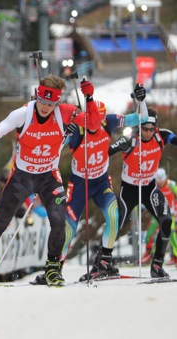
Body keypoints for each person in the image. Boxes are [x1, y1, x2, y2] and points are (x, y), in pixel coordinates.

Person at [0, 75, 99, 287]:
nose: (46, 107)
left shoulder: (65, 112)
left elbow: (93, 124)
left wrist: (90, 98)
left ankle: (52, 268)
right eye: (43, 102)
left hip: (49, 177)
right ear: (36, 97)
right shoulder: (23, 113)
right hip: (22, 177)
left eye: (51, 103)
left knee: (59, 221)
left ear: (57, 102)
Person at [63, 84, 148, 282]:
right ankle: (54, 267)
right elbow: (54, 146)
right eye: (92, 120)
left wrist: (141, 101)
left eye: (99, 120)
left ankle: (104, 262)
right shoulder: (77, 130)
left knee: (113, 214)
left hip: (100, 181)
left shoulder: (109, 122)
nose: (96, 124)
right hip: (79, 183)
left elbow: (141, 118)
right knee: (69, 228)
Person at [108, 107, 177, 278]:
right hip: (129, 189)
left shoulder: (161, 135)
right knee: (116, 224)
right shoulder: (130, 139)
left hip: (149, 187)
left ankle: (157, 266)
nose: (148, 133)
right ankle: (102, 262)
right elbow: (106, 152)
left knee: (166, 221)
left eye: (151, 129)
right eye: (145, 129)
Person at [143, 168, 177, 269]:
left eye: (161, 179)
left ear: (165, 177)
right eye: (158, 179)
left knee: (173, 237)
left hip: (169, 214)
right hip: (156, 213)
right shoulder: (153, 185)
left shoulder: (171, 184)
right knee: (149, 234)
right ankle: (148, 254)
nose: (159, 182)